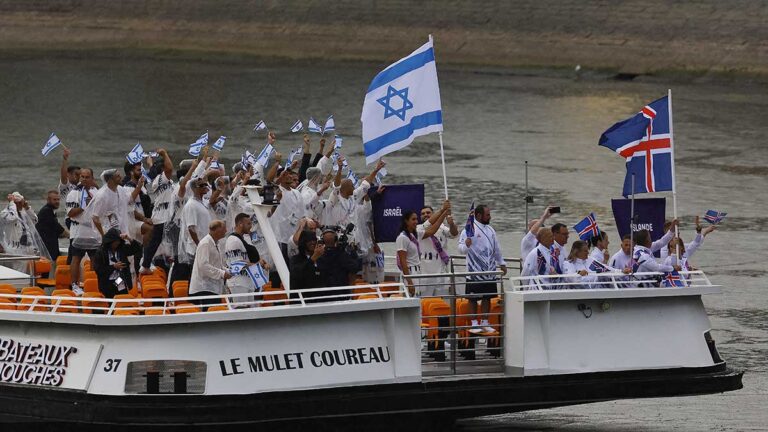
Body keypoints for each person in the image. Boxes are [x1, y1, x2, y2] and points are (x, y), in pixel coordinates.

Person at [457, 204, 507, 334]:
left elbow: (497, 248)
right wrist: (466, 245)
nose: (490, 217)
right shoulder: (468, 230)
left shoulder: (491, 230)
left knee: (487, 297)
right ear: (478, 215)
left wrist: (502, 263)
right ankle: (474, 323)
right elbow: (461, 249)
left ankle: (485, 322)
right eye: (487, 214)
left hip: (489, 270)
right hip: (474, 270)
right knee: (473, 298)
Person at [397, 204, 451, 296]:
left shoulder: (415, 234)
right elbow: (403, 262)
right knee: (413, 300)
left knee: (418, 300)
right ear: (406, 221)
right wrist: (409, 281)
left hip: (418, 272)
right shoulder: (402, 237)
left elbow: (432, 230)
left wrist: (444, 213)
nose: (416, 221)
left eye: (416, 219)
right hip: (410, 272)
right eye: (413, 219)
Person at [141, 148, 176, 275]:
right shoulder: (162, 178)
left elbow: (154, 168)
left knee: (156, 241)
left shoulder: (157, 178)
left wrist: (149, 162)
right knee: (158, 241)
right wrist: (165, 154)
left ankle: (146, 264)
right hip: (163, 215)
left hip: (161, 214)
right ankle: (145, 265)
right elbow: (170, 168)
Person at [66, 168, 100, 294]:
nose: (84, 179)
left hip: (92, 230)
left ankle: (93, 282)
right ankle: (74, 285)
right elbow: (70, 213)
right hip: (78, 229)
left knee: (95, 258)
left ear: (92, 178)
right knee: (76, 258)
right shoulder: (73, 193)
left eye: (87, 177)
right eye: (82, 177)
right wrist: (84, 206)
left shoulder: (96, 192)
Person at [224, 213, 269, 307]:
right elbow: (237, 264)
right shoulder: (233, 240)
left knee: (251, 314)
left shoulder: (245, 239)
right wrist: (257, 264)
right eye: (248, 224)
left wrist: (261, 263)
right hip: (237, 283)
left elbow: (251, 258)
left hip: (247, 283)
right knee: (240, 314)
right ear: (240, 224)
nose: (251, 226)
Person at [189, 220, 232, 310]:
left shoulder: (216, 244)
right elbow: (203, 265)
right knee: (210, 312)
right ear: (216, 230)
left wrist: (228, 271)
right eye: (224, 229)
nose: (226, 231)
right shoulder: (205, 243)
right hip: (205, 287)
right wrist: (222, 273)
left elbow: (217, 265)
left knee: (215, 311)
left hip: (213, 287)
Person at [417, 203, 458, 297]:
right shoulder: (418, 229)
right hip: (424, 274)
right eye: (423, 214)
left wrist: (451, 223)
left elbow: (454, 234)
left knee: (442, 303)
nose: (425, 215)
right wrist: (443, 212)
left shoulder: (442, 227)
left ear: (433, 214)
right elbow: (430, 230)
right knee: (425, 302)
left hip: (441, 273)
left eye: (428, 212)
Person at [176, 178, 212, 281]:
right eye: (201, 185)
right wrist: (200, 245)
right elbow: (191, 228)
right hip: (196, 248)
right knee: (196, 278)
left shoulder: (203, 202)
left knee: (203, 278)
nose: (205, 186)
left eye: (205, 184)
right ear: (194, 189)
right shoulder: (191, 205)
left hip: (204, 246)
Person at [92, 228, 142, 299]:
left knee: (122, 300)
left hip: (119, 280)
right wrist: (113, 267)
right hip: (107, 283)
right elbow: (98, 270)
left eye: (118, 241)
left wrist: (128, 238)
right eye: (115, 241)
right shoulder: (101, 252)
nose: (117, 243)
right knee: (111, 302)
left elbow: (137, 248)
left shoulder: (121, 249)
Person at [289, 230, 327, 299]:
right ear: (303, 242)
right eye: (309, 240)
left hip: (320, 299)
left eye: (314, 240)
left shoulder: (322, 259)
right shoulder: (295, 259)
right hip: (302, 300)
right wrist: (312, 259)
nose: (312, 242)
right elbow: (297, 274)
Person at [35, 190, 67, 264]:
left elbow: (54, 229)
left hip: (48, 245)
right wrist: (70, 235)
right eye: (54, 199)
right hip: (45, 248)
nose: (57, 201)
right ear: (48, 200)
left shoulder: (50, 211)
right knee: (45, 270)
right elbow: (58, 228)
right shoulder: (47, 211)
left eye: (58, 199)